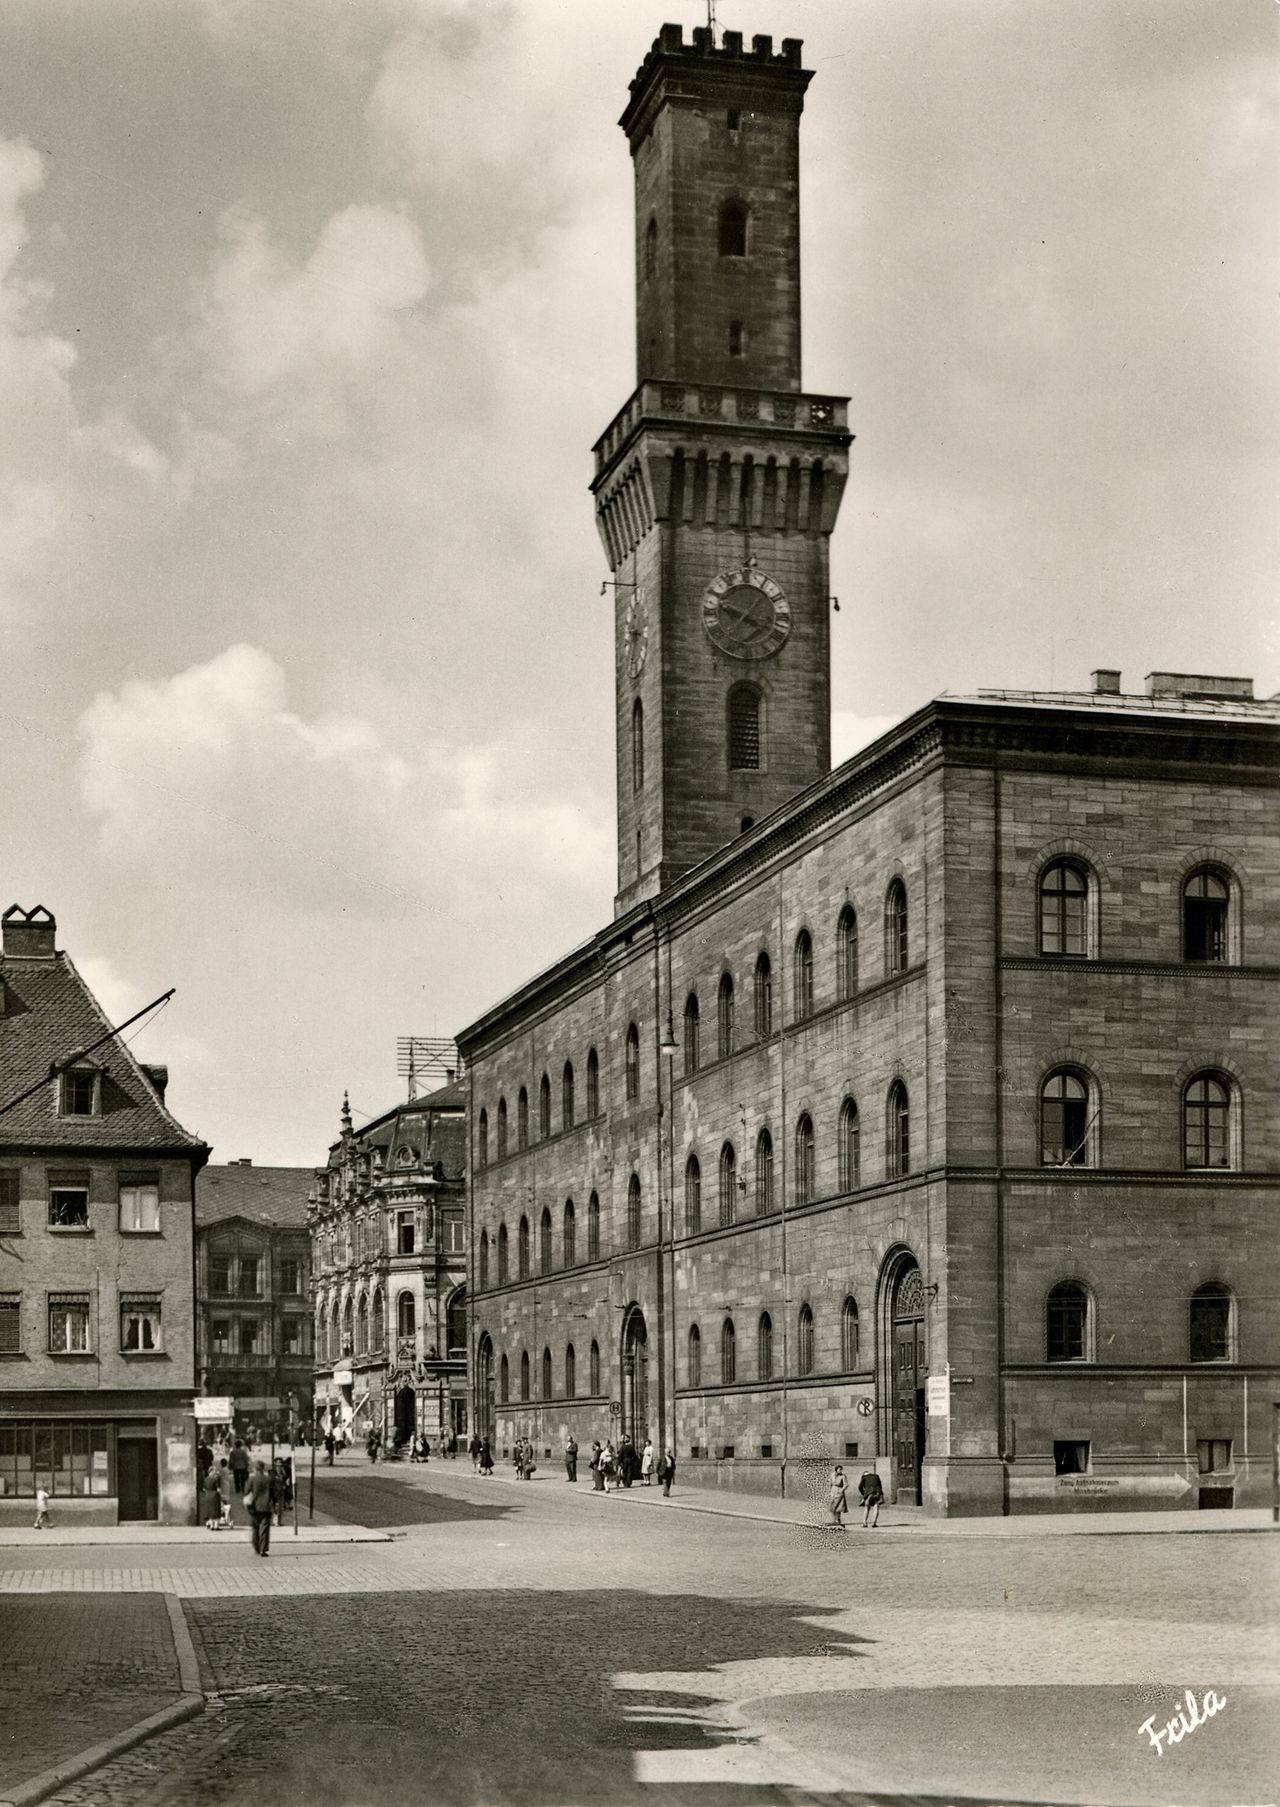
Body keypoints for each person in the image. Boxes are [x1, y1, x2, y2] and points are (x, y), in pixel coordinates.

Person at [245, 1459, 274, 1557]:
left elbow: (246, 1491)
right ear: (263, 1468)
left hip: (254, 1507)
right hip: (266, 1507)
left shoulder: (252, 1479)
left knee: (255, 1528)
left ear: (255, 1469)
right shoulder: (269, 1479)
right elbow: (273, 1493)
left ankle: (256, 1547)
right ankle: (263, 1549)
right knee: (264, 1528)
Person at [828, 1464, 849, 1531]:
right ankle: (834, 1519)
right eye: (839, 1469)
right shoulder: (832, 1475)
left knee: (838, 1507)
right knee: (832, 1506)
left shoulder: (843, 1476)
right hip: (833, 1491)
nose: (840, 1470)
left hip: (839, 1491)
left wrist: (841, 1490)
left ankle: (838, 1519)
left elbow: (846, 1484)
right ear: (836, 1469)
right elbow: (830, 1483)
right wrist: (829, 1491)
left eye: (841, 1469)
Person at [216, 1457, 236, 1527]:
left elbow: (218, 1477)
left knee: (223, 1501)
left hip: (223, 1486)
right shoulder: (227, 1470)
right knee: (226, 1500)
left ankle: (224, 1515)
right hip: (227, 1486)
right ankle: (226, 1515)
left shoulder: (221, 1470)